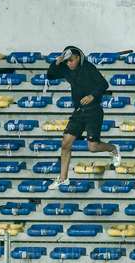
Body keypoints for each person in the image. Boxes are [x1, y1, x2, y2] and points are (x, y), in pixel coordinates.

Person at [47, 46, 121, 186]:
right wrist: (56, 62)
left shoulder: (88, 67)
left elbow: (104, 84)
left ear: (78, 58)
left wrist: (92, 96)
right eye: (67, 61)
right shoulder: (66, 68)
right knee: (65, 144)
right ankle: (63, 179)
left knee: (92, 148)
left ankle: (113, 148)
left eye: (71, 60)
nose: (69, 63)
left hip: (93, 111)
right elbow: (50, 75)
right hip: (79, 111)